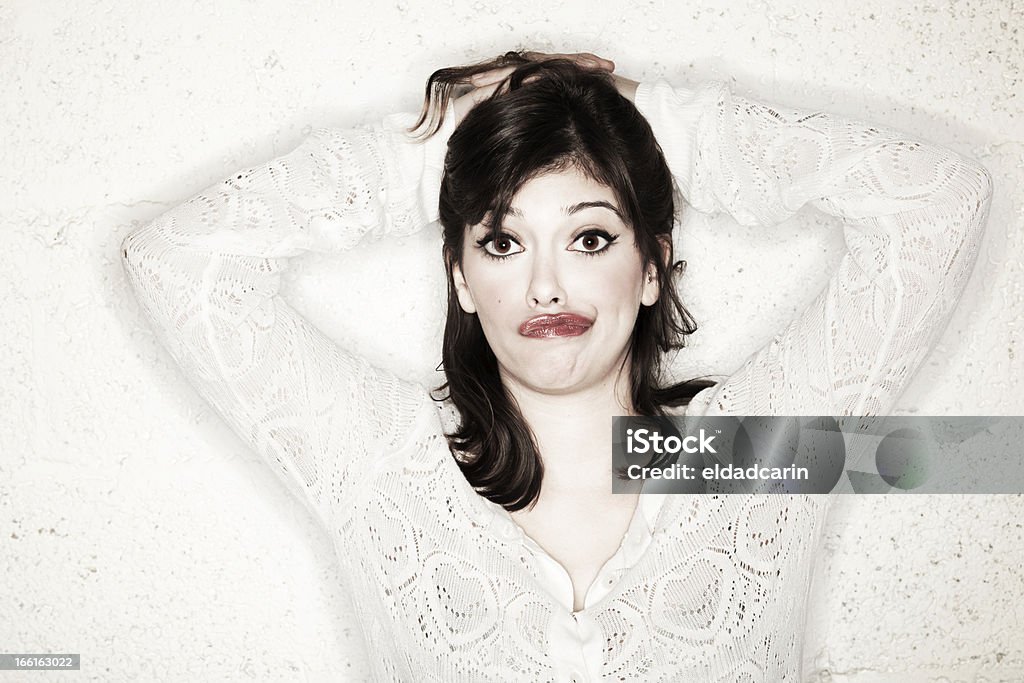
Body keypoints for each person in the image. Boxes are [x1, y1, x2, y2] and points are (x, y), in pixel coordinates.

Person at [120, 50, 992, 681]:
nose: (546, 283)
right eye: (503, 240)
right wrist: (436, 147)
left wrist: (643, 118)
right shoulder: (384, 468)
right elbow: (177, 262)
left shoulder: (752, 458)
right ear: (460, 275)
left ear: (649, 266)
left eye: (589, 237)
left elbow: (938, 205)